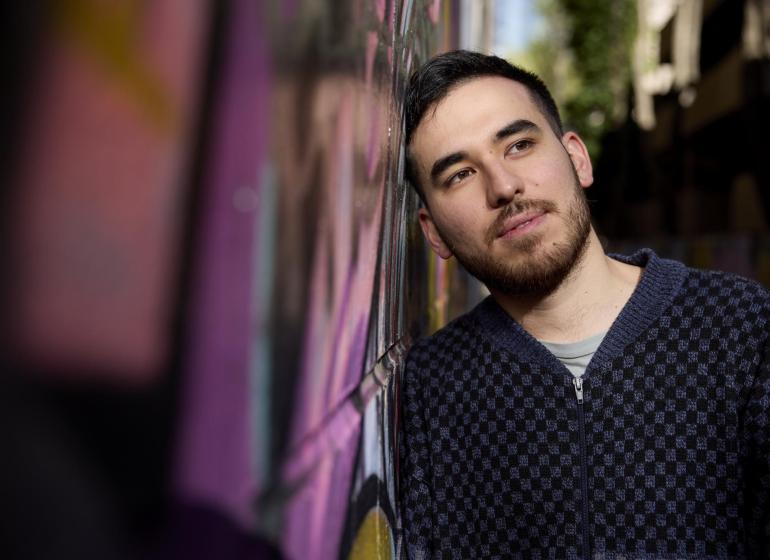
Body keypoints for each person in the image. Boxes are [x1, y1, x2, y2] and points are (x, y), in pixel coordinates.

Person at [398, 50, 770, 559]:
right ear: (434, 232)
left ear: (577, 158)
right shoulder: (431, 386)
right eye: (460, 174)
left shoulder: (740, 327)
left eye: (519, 145)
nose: (503, 187)